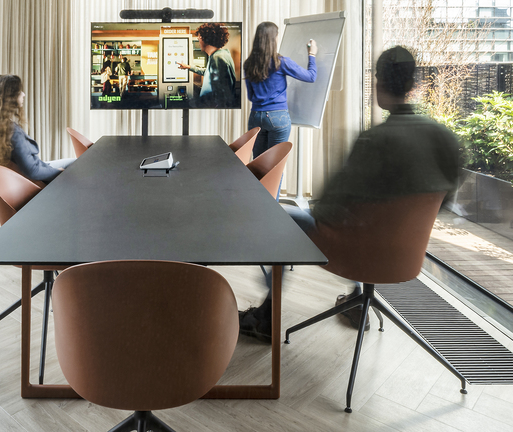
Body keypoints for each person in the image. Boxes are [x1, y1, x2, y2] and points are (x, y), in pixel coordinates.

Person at [239, 46, 460, 341]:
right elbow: (445, 201)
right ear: (412, 84)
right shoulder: (445, 138)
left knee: (281, 216)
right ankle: (355, 299)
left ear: (379, 84)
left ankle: (265, 319)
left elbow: (327, 210)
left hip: (355, 252)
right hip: (406, 255)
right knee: (365, 221)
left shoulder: (374, 140)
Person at [0, 74, 75, 183]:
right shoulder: (12, 131)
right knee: (77, 164)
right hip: (33, 180)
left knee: (74, 162)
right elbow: (33, 170)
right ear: (10, 98)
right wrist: (58, 172)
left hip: (23, 178)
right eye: (19, 92)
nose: (23, 94)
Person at [244, 21, 317, 161]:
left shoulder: (248, 63)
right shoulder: (281, 62)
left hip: (255, 117)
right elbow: (311, 77)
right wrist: (312, 55)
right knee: (274, 167)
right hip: (278, 117)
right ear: (274, 39)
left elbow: (251, 96)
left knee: (258, 164)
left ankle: (257, 184)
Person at [176, 22, 237, 107]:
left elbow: (221, 94)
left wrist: (197, 103)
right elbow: (208, 73)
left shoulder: (217, 58)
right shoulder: (220, 55)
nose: (198, 39)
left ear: (206, 38)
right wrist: (189, 67)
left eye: (200, 37)